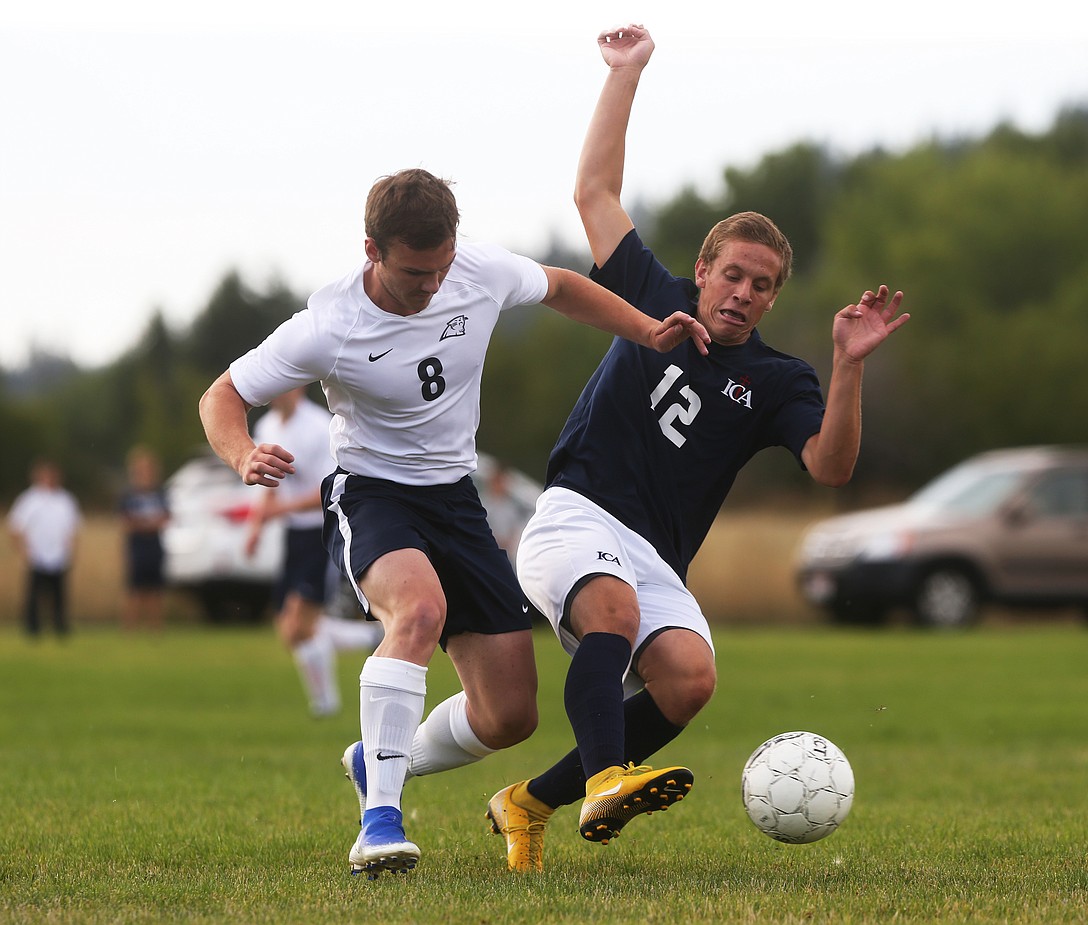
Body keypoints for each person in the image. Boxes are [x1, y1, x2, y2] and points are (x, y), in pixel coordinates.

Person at [198, 167, 710, 878]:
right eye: (414, 273)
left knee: (508, 715)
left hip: (455, 500)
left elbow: (561, 285)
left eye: (440, 269)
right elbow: (223, 394)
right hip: (373, 491)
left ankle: (377, 758)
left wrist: (648, 331)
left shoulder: (478, 271)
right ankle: (378, 822)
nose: (432, 286)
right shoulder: (328, 324)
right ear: (371, 249)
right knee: (419, 610)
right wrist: (243, 451)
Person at [486, 24, 910, 873]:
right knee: (613, 612)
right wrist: (625, 73)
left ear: (773, 295)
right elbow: (595, 192)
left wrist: (847, 365)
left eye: (762, 284)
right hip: (574, 517)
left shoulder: (781, 379)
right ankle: (609, 774)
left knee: (687, 681)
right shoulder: (653, 294)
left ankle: (527, 802)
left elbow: (831, 466)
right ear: (703, 269)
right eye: (733, 275)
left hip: (655, 555)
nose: (744, 293)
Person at [243, 386, 383, 717]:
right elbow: (268, 486)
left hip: (320, 533)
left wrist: (281, 509)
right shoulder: (266, 428)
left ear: (299, 387)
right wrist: (256, 527)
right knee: (289, 627)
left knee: (299, 624)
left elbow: (327, 489)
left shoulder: (320, 427)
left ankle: (326, 703)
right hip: (292, 535)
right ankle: (369, 637)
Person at [7, 460, 82, 638]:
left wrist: (71, 551)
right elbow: (15, 528)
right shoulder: (29, 500)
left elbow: (73, 529)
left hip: (59, 555)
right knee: (34, 594)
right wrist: (23, 551)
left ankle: (60, 627)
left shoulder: (66, 500)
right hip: (36, 555)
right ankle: (32, 628)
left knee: (59, 595)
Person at [119, 446, 170, 631]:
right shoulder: (128, 495)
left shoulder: (160, 493)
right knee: (134, 589)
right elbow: (126, 522)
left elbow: (166, 518)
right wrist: (147, 523)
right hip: (137, 547)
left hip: (155, 545)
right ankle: (129, 628)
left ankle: (155, 627)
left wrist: (147, 523)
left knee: (156, 589)